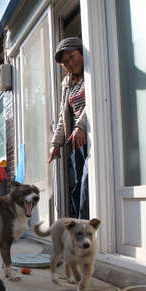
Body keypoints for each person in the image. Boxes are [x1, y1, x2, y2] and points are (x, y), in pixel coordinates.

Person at [47, 37, 89, 220]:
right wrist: (56, 144)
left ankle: (86, 226)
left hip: (90, 137)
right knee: (79, 185)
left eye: (72, 56)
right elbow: (64, 117)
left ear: (81, 52)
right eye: (65, 62)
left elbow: (96, 102)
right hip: (76, 144)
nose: (70, 63)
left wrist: (81, 125)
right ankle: (79, 227)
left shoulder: (93, 73)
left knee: (88, 182)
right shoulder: (68, 83)